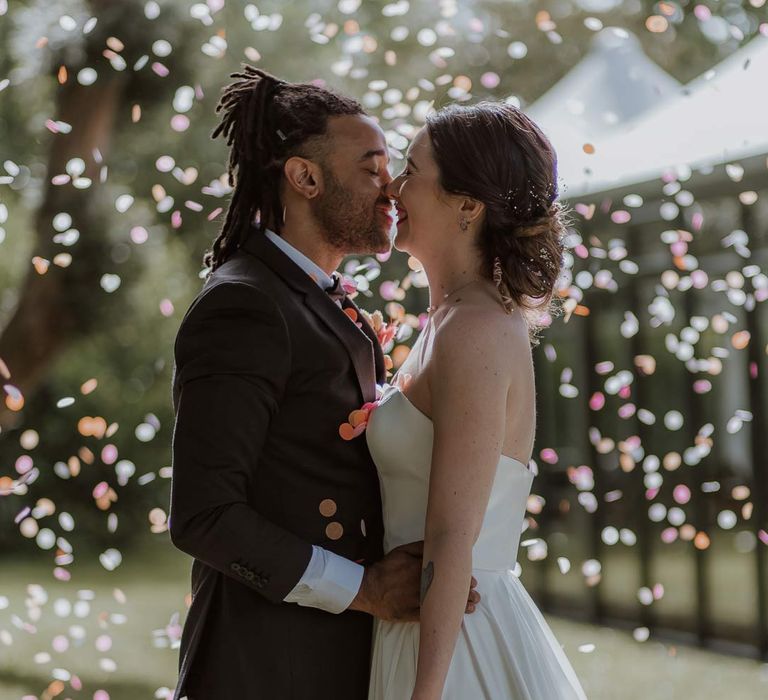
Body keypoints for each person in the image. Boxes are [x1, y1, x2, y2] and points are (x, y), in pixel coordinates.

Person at [167, 67, 479, 700]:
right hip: (266, 663)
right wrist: (362, 589)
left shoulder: (321, 302)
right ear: (305, 178)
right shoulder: (244, 305)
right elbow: (205, 515)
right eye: (371, 168)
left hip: (342, 654)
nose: (391, 188)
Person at [366, 101, 588, 699]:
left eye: (412, 170)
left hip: (457, 643)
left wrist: (426, 690)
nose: (393, 185)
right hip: (418, 628)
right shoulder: (445, 322)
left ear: (468, 204)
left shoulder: (477, 332)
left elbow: (449, 539)